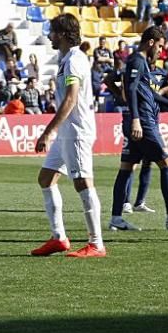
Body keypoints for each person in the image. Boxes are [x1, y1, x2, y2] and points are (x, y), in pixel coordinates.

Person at [107, 25, 168, 232]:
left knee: (126, 169)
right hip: (144, 122)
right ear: (150, 42)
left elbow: (146, 92)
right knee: (167, 164)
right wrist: (137, 120)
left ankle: (116, 218)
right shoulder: (137, 61)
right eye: (159, 46)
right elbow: (129, 90)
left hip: (140, 121)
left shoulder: (141, 63)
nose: (160, 51)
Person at [30, 13, 106, 258]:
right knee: (46, 178)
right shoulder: (65, 59)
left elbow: (71, 99)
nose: (49, 36)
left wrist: (47, 131)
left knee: (83, 182)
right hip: (66, 133)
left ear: (62, 34)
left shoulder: (74, 60)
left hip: (76, 132)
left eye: (52, 31)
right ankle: (59, 238)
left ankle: (96, 244)